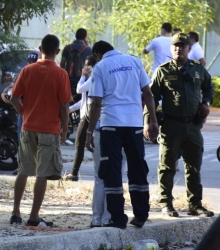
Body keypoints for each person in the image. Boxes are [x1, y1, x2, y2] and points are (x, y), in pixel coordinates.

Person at [86, 40, 159, 229]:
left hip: (111, 125)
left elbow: (96, 103)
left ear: (97, 55)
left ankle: (117, 218)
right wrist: (153, 121)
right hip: (134, 124)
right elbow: (148, 94)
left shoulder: (100, 67)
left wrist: (89, 131)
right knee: (137, 168)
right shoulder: (134, 61)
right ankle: (141, 214)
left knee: (112, 171)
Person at [143, 33, 215, 218]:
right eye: (175, 45)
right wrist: (148, 122)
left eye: (182, 46)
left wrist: (206, 102)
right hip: (171, 126)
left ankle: (195, 204)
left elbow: (209, 87)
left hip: (192, 127)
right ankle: (166, 203)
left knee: (194, 167)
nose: (178, 48)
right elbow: (151, 99)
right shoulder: (163, 71)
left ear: (188, 49)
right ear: (171, 48)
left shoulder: (198, 70)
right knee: (167, 167)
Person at [9, 34, 71, 226]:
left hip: (28, 128)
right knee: (42, 173)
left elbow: (13, 98)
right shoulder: (61, 74)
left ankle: (16, 212)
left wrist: (24, 115)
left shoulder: (27, 70)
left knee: (23, 170)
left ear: (40, 49)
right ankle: (34, 216)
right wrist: (65, 128)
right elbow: (63, 106)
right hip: (49, 129)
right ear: (57, 52)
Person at [90, 119, 127, 228]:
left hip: (100, 129)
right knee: (116, 175)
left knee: (99, 177)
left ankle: (97, 219)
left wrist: (89, 131)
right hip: (124, 130)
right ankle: (108, 217)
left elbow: (94, 107)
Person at [65, 55, 97, 181]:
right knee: (84, 143)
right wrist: (71, 109)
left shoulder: (93, 77)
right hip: (86, 113)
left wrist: (82, 76)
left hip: (90, 115)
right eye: (84, 65)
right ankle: (74, 173)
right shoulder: (90, 78)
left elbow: (79, 89)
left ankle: (74, 173)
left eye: (87, 65)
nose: (84, 68)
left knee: (80, 143)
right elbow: (84, 100)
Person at [60, 28, 92, 99]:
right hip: (82, 79)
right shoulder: (88, 49)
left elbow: (62, 63)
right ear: (85, 37)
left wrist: (66, 75)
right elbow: (91, 66)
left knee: (68, 100)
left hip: (68, 80)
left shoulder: (67, 48)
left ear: (75, 35)